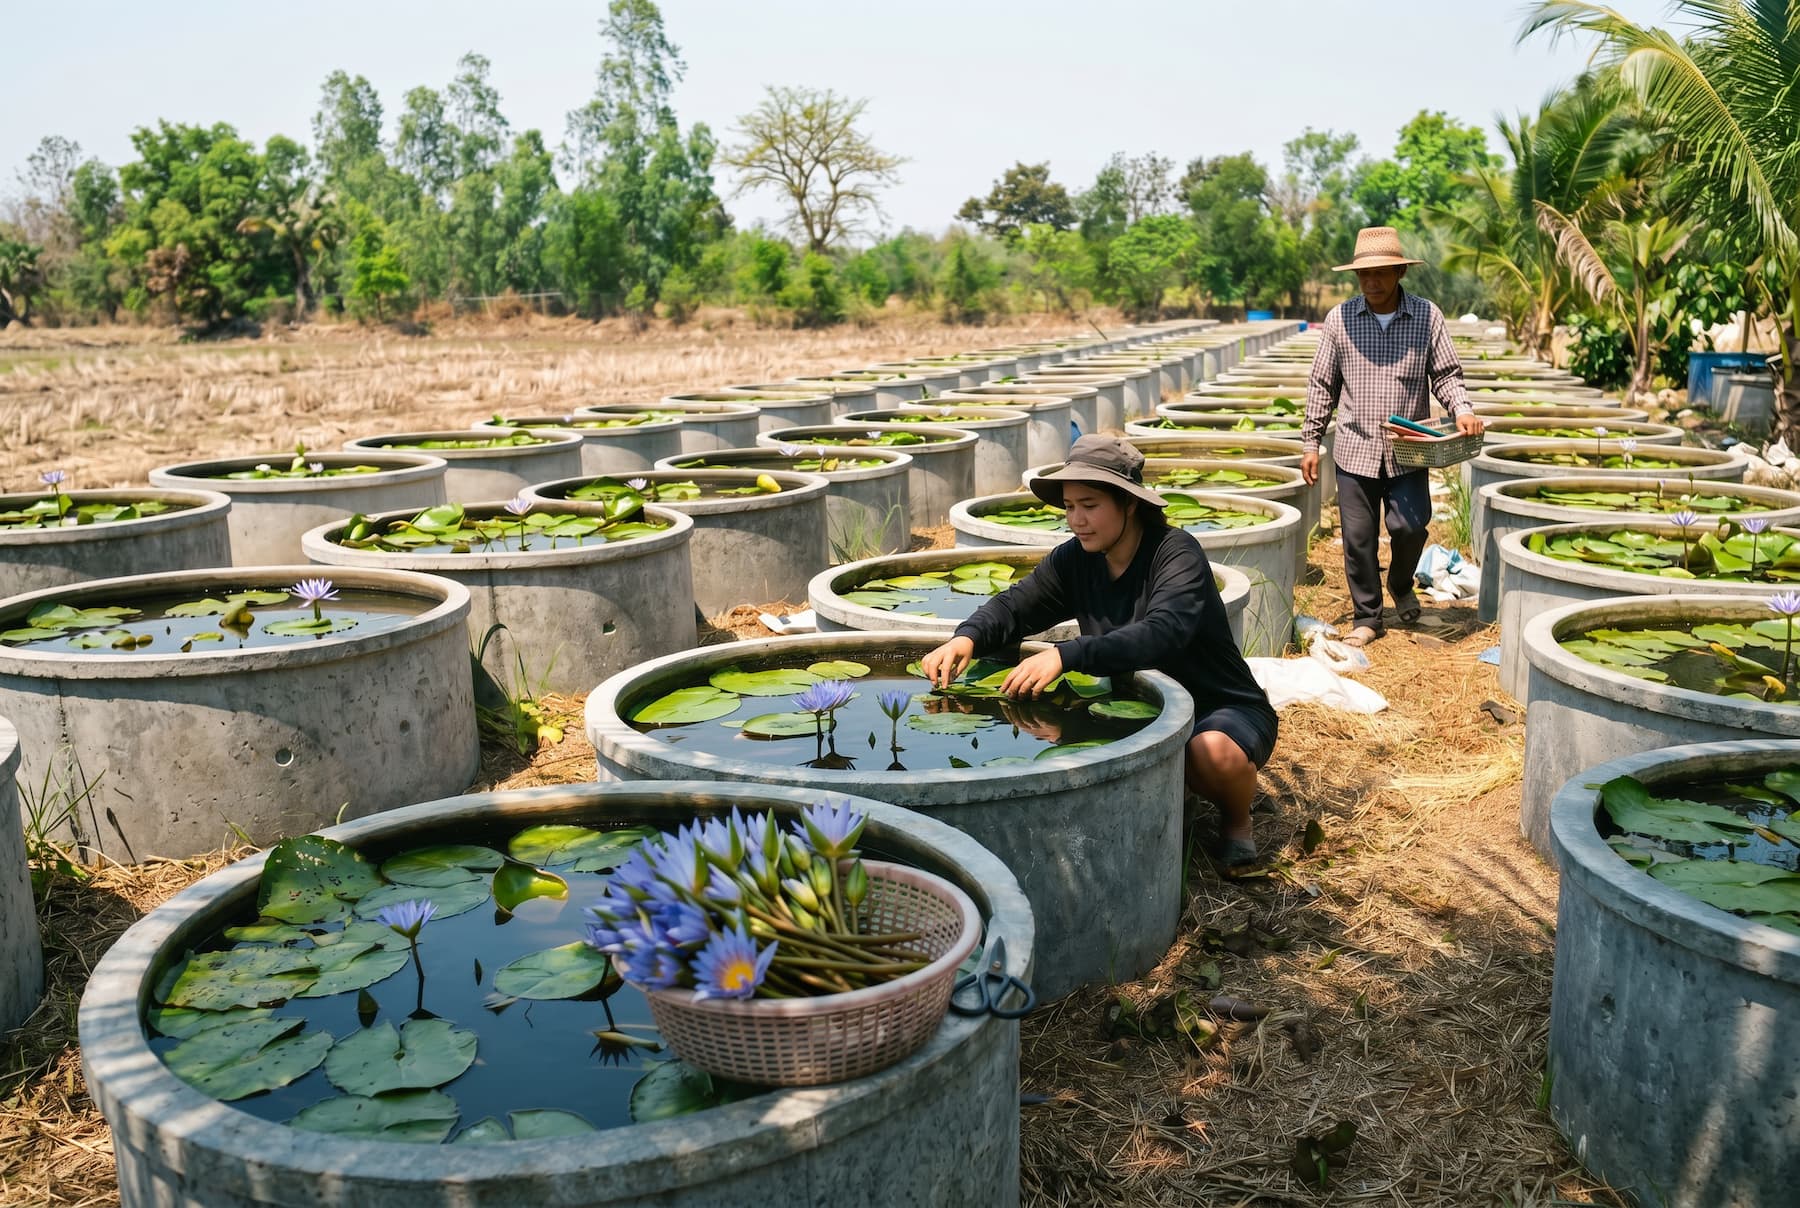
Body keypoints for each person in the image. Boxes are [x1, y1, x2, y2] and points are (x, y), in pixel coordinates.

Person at [920, 435, 1279, 866]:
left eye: (1090, 506)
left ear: (1129, 504)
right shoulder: (1075, 559)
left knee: (1210, 752)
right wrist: (968, 636)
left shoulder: (1175, 554)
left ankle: (1237, 821)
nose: (1077, 520)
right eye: (1070, 507)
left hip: (1216, 707)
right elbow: (1016, 605)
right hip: (1134, 707)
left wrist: (1066, 654)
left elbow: (1163, 632)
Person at [1302, 226, 1483, 649]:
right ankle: (1368, 616)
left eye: (1381, 272)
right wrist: (1311, 443)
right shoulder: (1340, 320)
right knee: (1358, 538)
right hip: (1354, 445)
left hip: (1407, 450)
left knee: (1410, 525)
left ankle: (1401, 582)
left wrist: (1463, 409)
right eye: (1364, 274)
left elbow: (1446, 375)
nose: (1372, 282)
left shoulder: (1426, 317)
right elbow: (1321, 385)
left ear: (1400, 271)